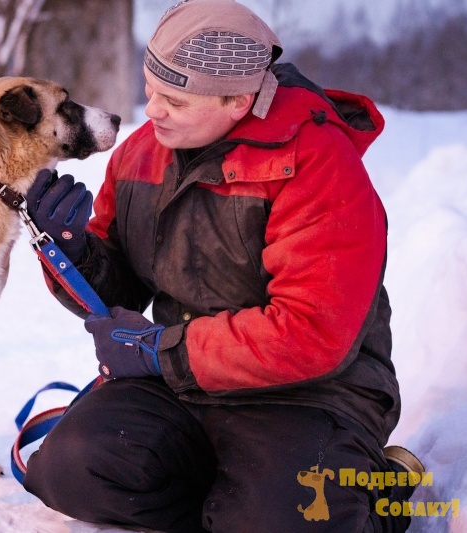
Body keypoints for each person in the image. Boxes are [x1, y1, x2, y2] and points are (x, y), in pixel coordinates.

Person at [22, 0, 424, 531]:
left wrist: (157, 350)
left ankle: (370, 490)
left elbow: (311, 332)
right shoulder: (141, 153)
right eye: (149, 89)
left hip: (311, 393)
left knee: (287, 520)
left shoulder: (320, 164)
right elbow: (121, 288)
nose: (151, 111)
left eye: (174, 100)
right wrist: (71, 251)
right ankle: (237, 505)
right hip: (183, 381)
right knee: (70, 471)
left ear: (238, 99)